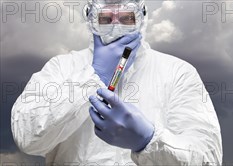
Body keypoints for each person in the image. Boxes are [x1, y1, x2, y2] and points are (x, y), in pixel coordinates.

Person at [10, 0, 222, 165]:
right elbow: (27, 138)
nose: (116, 28)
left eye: (126, 18)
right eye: (106, 19)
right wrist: (94, 76)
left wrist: (148, 141)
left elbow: (207, 158)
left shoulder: (177, 73)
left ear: (142, 17)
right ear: (91, 19)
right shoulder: (61, 68)